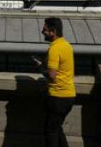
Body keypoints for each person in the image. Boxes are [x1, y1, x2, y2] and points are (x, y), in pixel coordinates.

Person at [34, 17, 75, 147]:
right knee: (57, 129)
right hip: (69, 95)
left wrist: (40, 67)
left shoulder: (54, 49)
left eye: (45, 30)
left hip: (57, 97)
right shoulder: (67, 45)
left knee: (51, 132)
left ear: (53, 31)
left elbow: (52, 75)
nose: (42, 32)